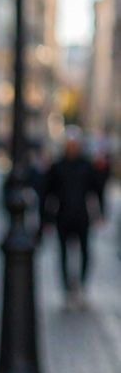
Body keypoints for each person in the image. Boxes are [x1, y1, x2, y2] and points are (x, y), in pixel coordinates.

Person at [40, 131, 107, 305]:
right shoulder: (58, 166)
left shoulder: (86, 166)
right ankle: (67, 289)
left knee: (85, 252)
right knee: (63, 253)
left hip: (82, 216)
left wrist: (100, 214)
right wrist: (46, 219)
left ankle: (82, 286)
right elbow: (47, 193)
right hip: (62, 216)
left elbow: (97, 190)